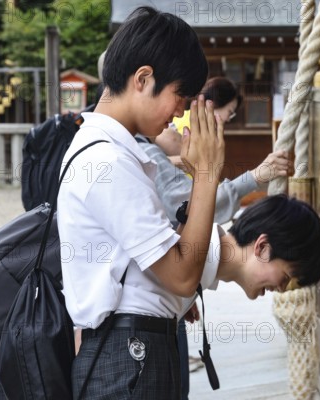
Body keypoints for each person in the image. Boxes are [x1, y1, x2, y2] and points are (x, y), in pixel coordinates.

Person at [57, 7, 223, 399]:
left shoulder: (112, 152)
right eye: (179, 95)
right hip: (128, 359)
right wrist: (207, 174)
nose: (181, 112)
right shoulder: (107, 162)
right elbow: (182, 275)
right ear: (143, 78)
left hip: (132, 354)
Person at [136, 76, 291, 399]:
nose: (177, 119)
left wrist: (185, 290)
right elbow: (190, 209)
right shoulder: (140, 153)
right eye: (179, 102)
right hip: (141, 330)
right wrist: (253, 177)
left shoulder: (147, 153)